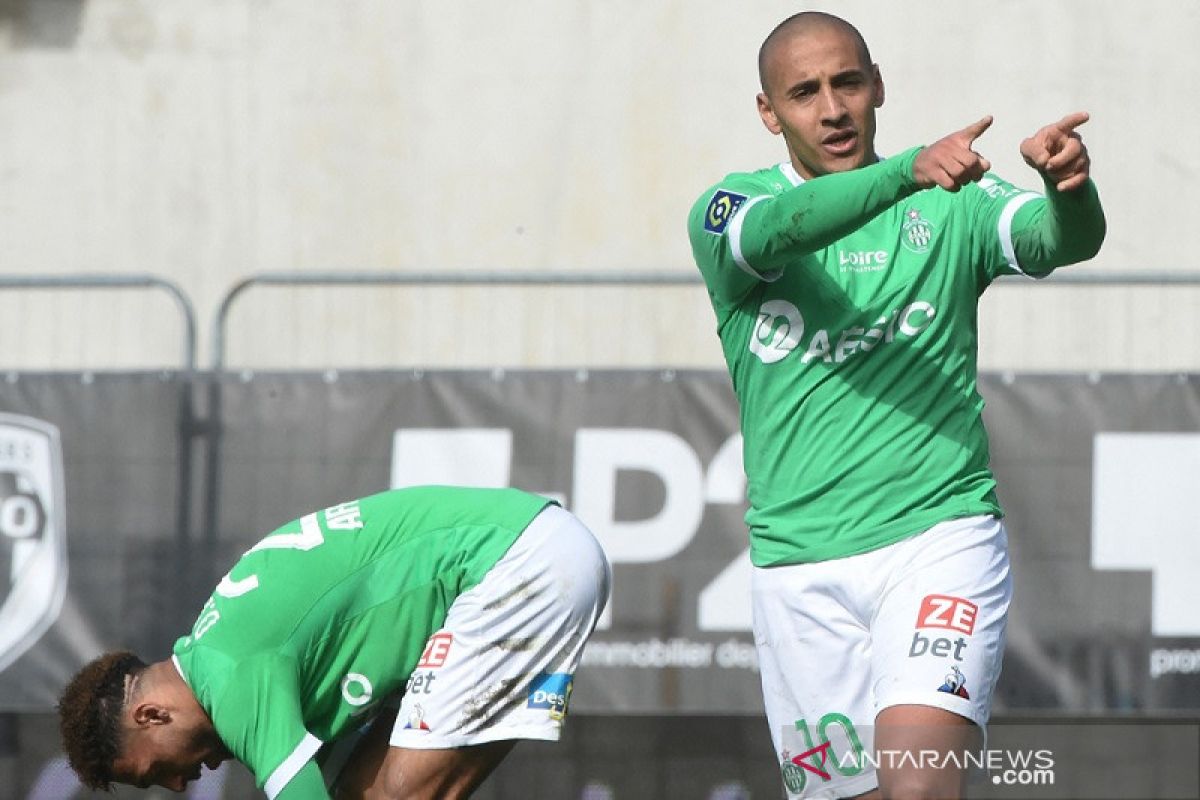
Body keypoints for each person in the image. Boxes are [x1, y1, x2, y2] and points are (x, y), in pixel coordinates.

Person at [686, 11, 1104, 800]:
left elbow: (1056, 241)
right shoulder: (730, 208)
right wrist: (905, 170)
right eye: (803, 93)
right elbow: (774, 231)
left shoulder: (949, 201)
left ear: (878, 84)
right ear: (768, 113)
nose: (832, 108)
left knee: (917, 788)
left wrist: (1068, 187)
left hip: (937, 540)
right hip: (796, 571)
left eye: (847, 82)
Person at [56, 485, 611, 799]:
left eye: (155, 772)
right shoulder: (217, 651)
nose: (179, 786)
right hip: (528, 548)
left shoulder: (231, 679)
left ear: (151, 715)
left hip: (517, 564)